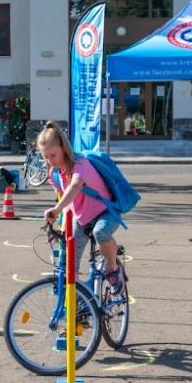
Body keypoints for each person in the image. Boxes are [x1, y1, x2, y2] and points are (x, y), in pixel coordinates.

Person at [39, 122, 125, 295]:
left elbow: (74, 187)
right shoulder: (55, 173)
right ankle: (78, 303)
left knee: (100, 233)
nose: (50, 161)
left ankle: (113, 269)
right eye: (46, 157)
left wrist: (55, 209)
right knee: (69, 261)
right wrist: (60, 226)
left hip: (105, 213)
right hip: (82, 218)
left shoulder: (81, 164)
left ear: (63, 148)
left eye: (53, 155)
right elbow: (67, 202)